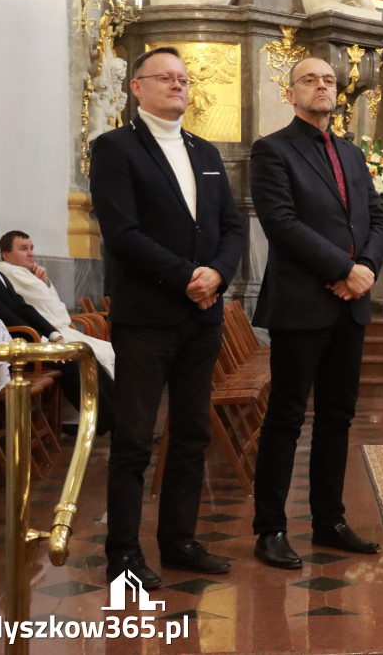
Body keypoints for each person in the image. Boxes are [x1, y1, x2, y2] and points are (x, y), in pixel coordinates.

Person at [90, 46, 246, 589]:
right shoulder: (114, 149)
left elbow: (232, 228)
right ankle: (124, 554)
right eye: (167, 77)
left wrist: (218, 275)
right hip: (148, 316)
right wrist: (187, 276)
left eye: (184, 78)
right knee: (135, 438)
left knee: (192, 433)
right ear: (137, 87)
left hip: (202, 316)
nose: (179, 85)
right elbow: (122, 234)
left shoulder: (204, 151)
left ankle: (179, 540)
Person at [250, 55, 383, 568]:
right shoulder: (272, 150)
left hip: (351, 304)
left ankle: (329, 520)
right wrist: (341, 269)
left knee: (337, 417)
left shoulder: (351, 154)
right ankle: (270, 528)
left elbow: (376, 214)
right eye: (310, 80)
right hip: (302, 304)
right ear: (291, 93)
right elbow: (281, 223)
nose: (321, 87)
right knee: (286, 418)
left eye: (329, 80)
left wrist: (367, 268)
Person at [0, 219, 118, 436]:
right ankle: (103, 422)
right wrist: (41, 341)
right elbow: (0, 314)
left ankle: (111, 418)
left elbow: (23, 307)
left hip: (24, 338)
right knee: (74, 359)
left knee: (81, 354)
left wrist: (53, 335)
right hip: (11, 345)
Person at [0, 230, 115, 379]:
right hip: (47, 333)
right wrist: (41, 282)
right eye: (23, 249)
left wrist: (43, 280)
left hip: (57, 329)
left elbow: (54, 306)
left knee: (108, 350)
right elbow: (57, 311)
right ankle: (105, 400)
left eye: (31, 248)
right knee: (102, 353)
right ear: (6, 255)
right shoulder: (11, 271)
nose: (31, 253)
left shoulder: (23, 272)